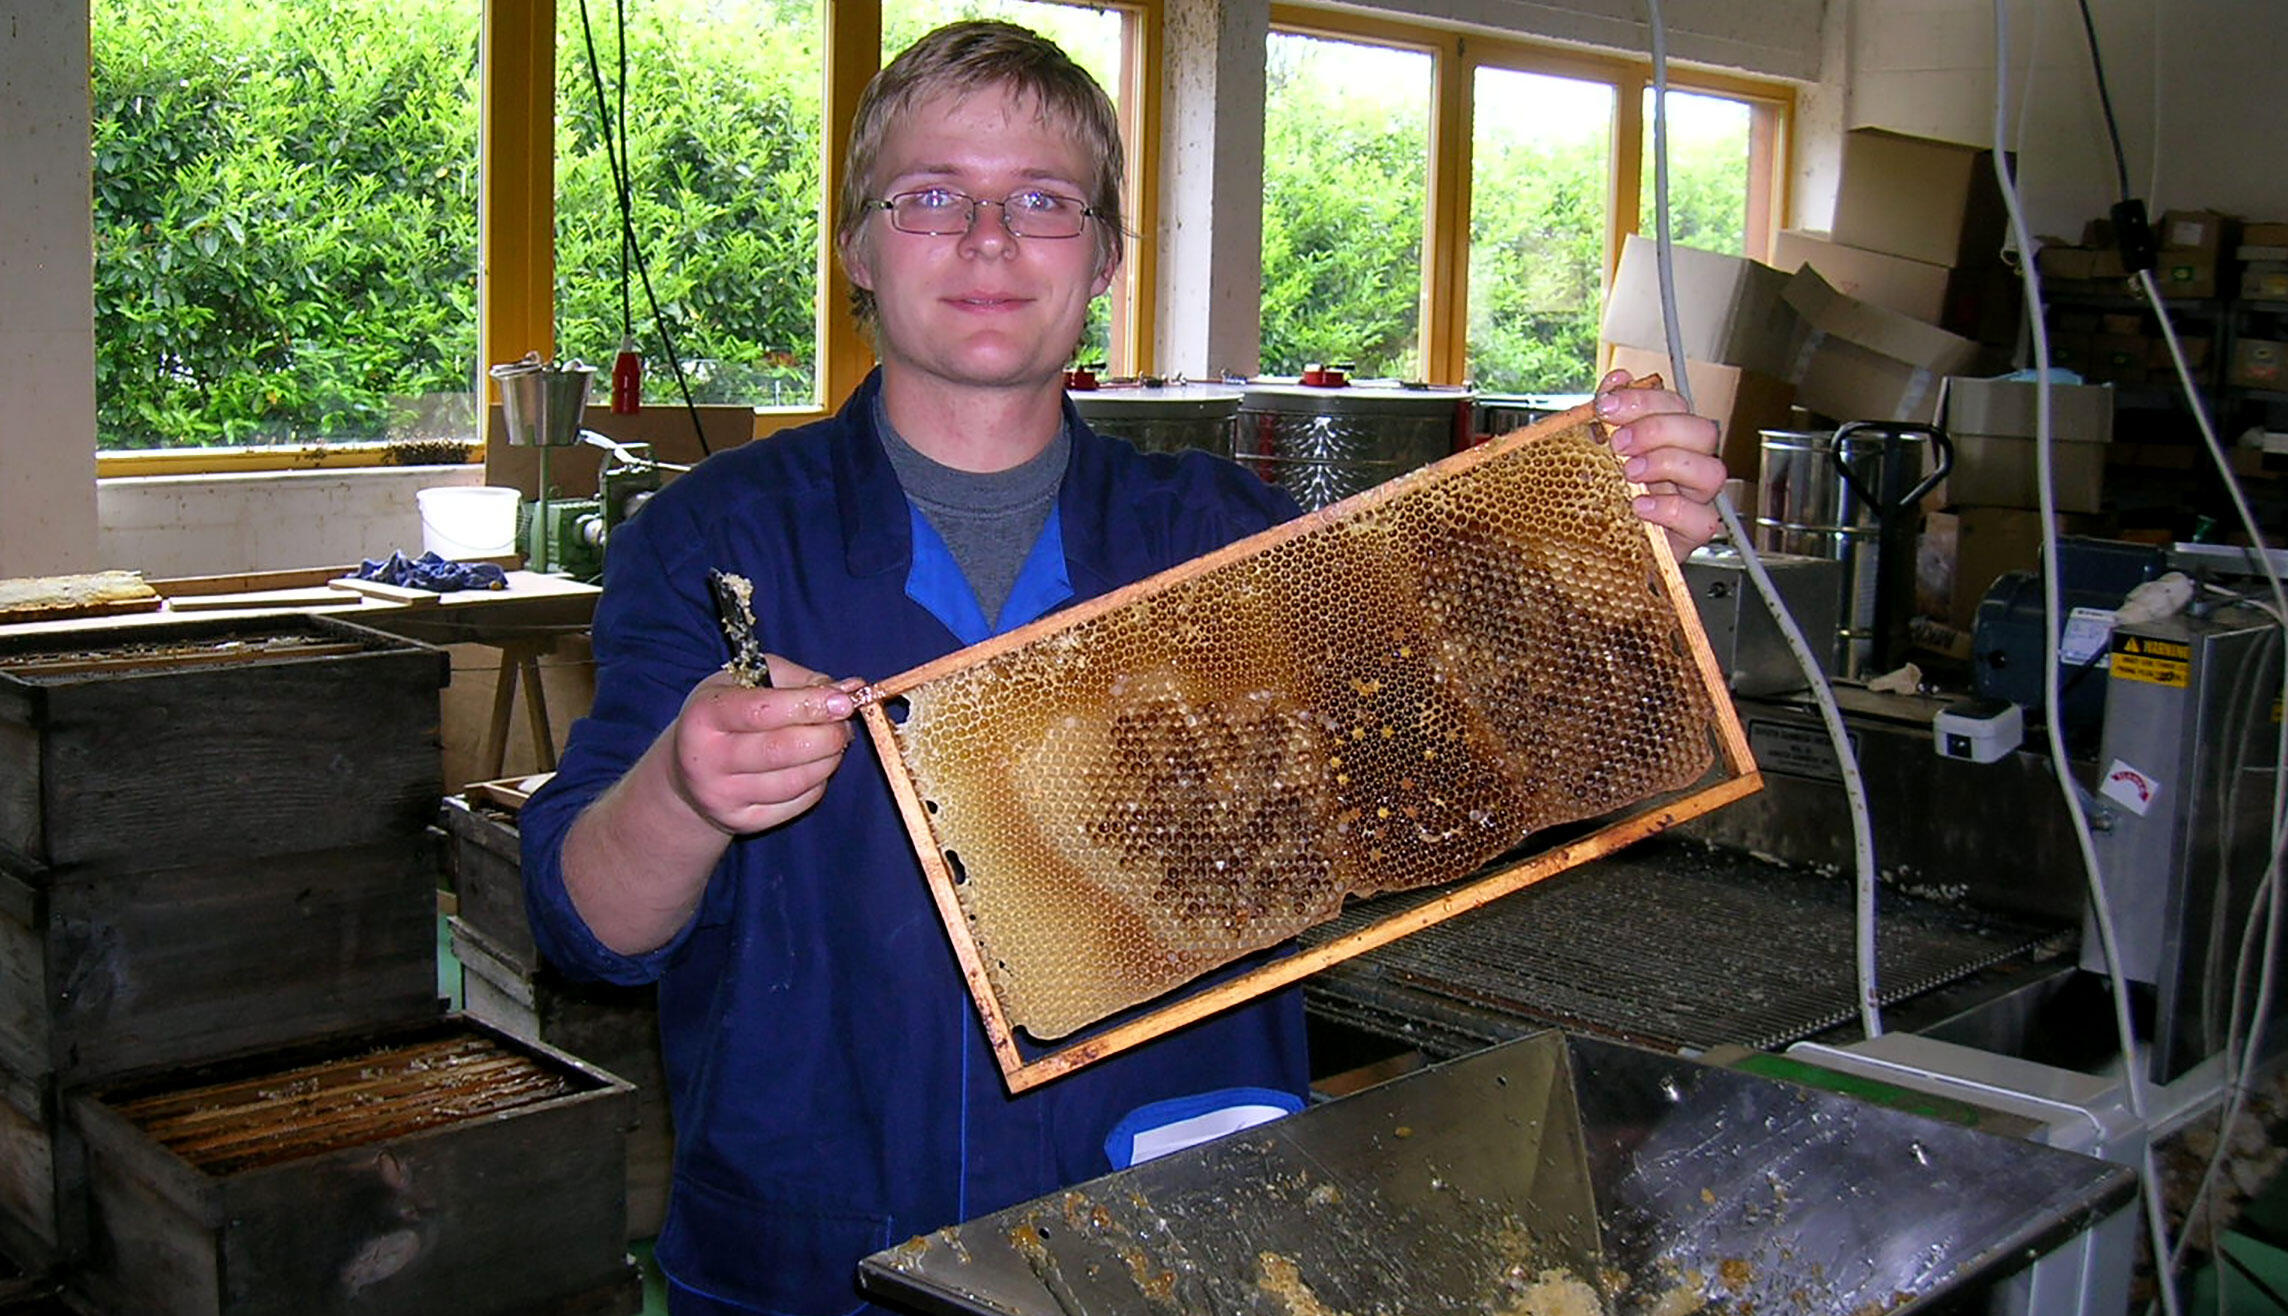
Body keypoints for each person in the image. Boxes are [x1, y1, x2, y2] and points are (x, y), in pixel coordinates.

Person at [521, 20, 1726, 1316]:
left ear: (1102, 257)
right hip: (819, 1262)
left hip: (1176, 1242)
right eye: (931, 197)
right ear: (856, 245)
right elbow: (590, 925)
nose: (988, 240)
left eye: (1041, 201)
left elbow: (1462, 772)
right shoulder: (716, 544)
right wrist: (685, 792)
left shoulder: (1229, 541)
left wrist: (1597, 554)